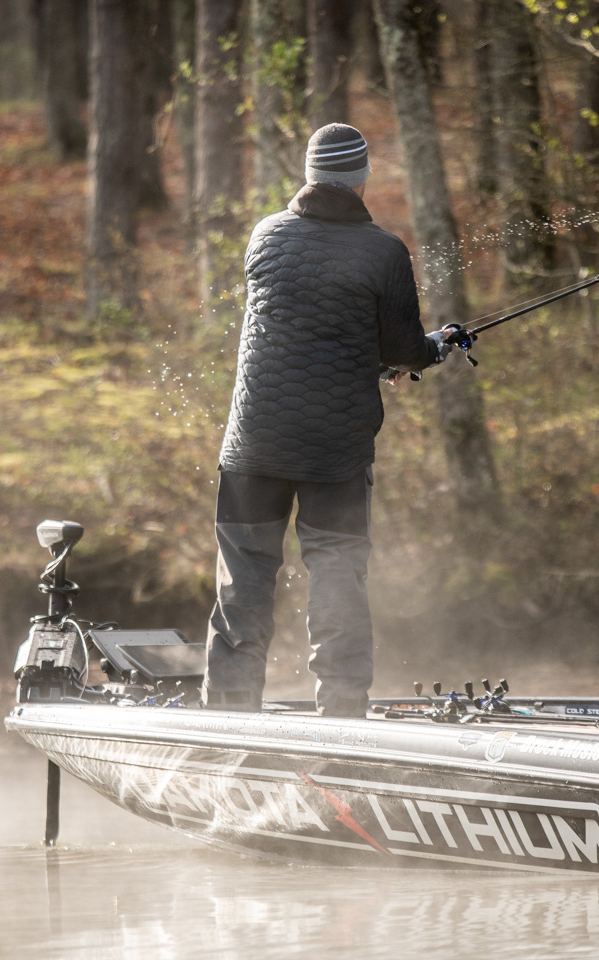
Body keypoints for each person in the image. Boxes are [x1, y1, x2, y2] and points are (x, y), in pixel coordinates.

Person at [202, 123, 455, 718]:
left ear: (310, 174)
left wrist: (373, 358)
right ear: (362, 178)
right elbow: (404, 349)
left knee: (244, 579)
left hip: (255, 443)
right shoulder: (384, 251)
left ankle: (229, 713)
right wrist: (438, 347)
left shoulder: (265, 235)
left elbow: (302, 325)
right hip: (335, 450)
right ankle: (340, 712)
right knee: (337, 575)